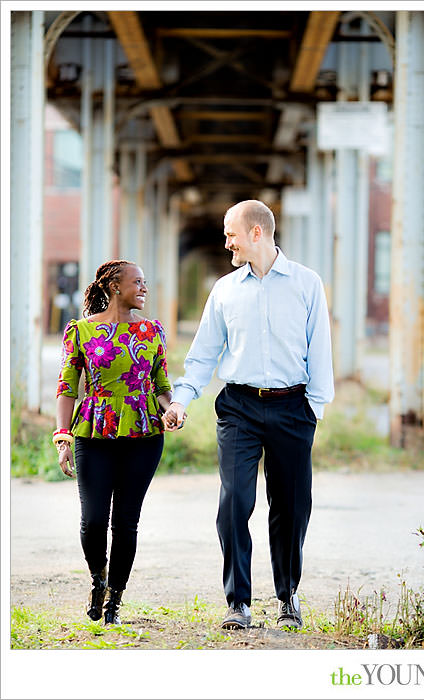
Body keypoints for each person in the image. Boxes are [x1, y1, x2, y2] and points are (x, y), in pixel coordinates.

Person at [162, 199, 334, 631]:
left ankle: (288, 596)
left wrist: (313, 407)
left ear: (256, 233)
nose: (226, 242)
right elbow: (202, 355)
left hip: (293, 407)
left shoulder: (306, 284)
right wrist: (181, 399)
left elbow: (320, 350)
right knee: (234, 502)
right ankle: (238, 602)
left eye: (231, 233)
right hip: (238, 406)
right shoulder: (224, 290)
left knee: (291, 508)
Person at [54, 260, 172, 625]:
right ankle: (98, 579)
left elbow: (162, 384)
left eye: (145, 282)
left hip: (144, 433)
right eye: (138, 282)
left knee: (126, 521)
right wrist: (62, 437)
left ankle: (114, 601)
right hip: (94, 432)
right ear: (115, 287)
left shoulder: (153, 331)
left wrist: (171, 410)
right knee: (92, 520)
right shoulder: (81, 331)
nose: (144, 288)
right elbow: (67, 387)